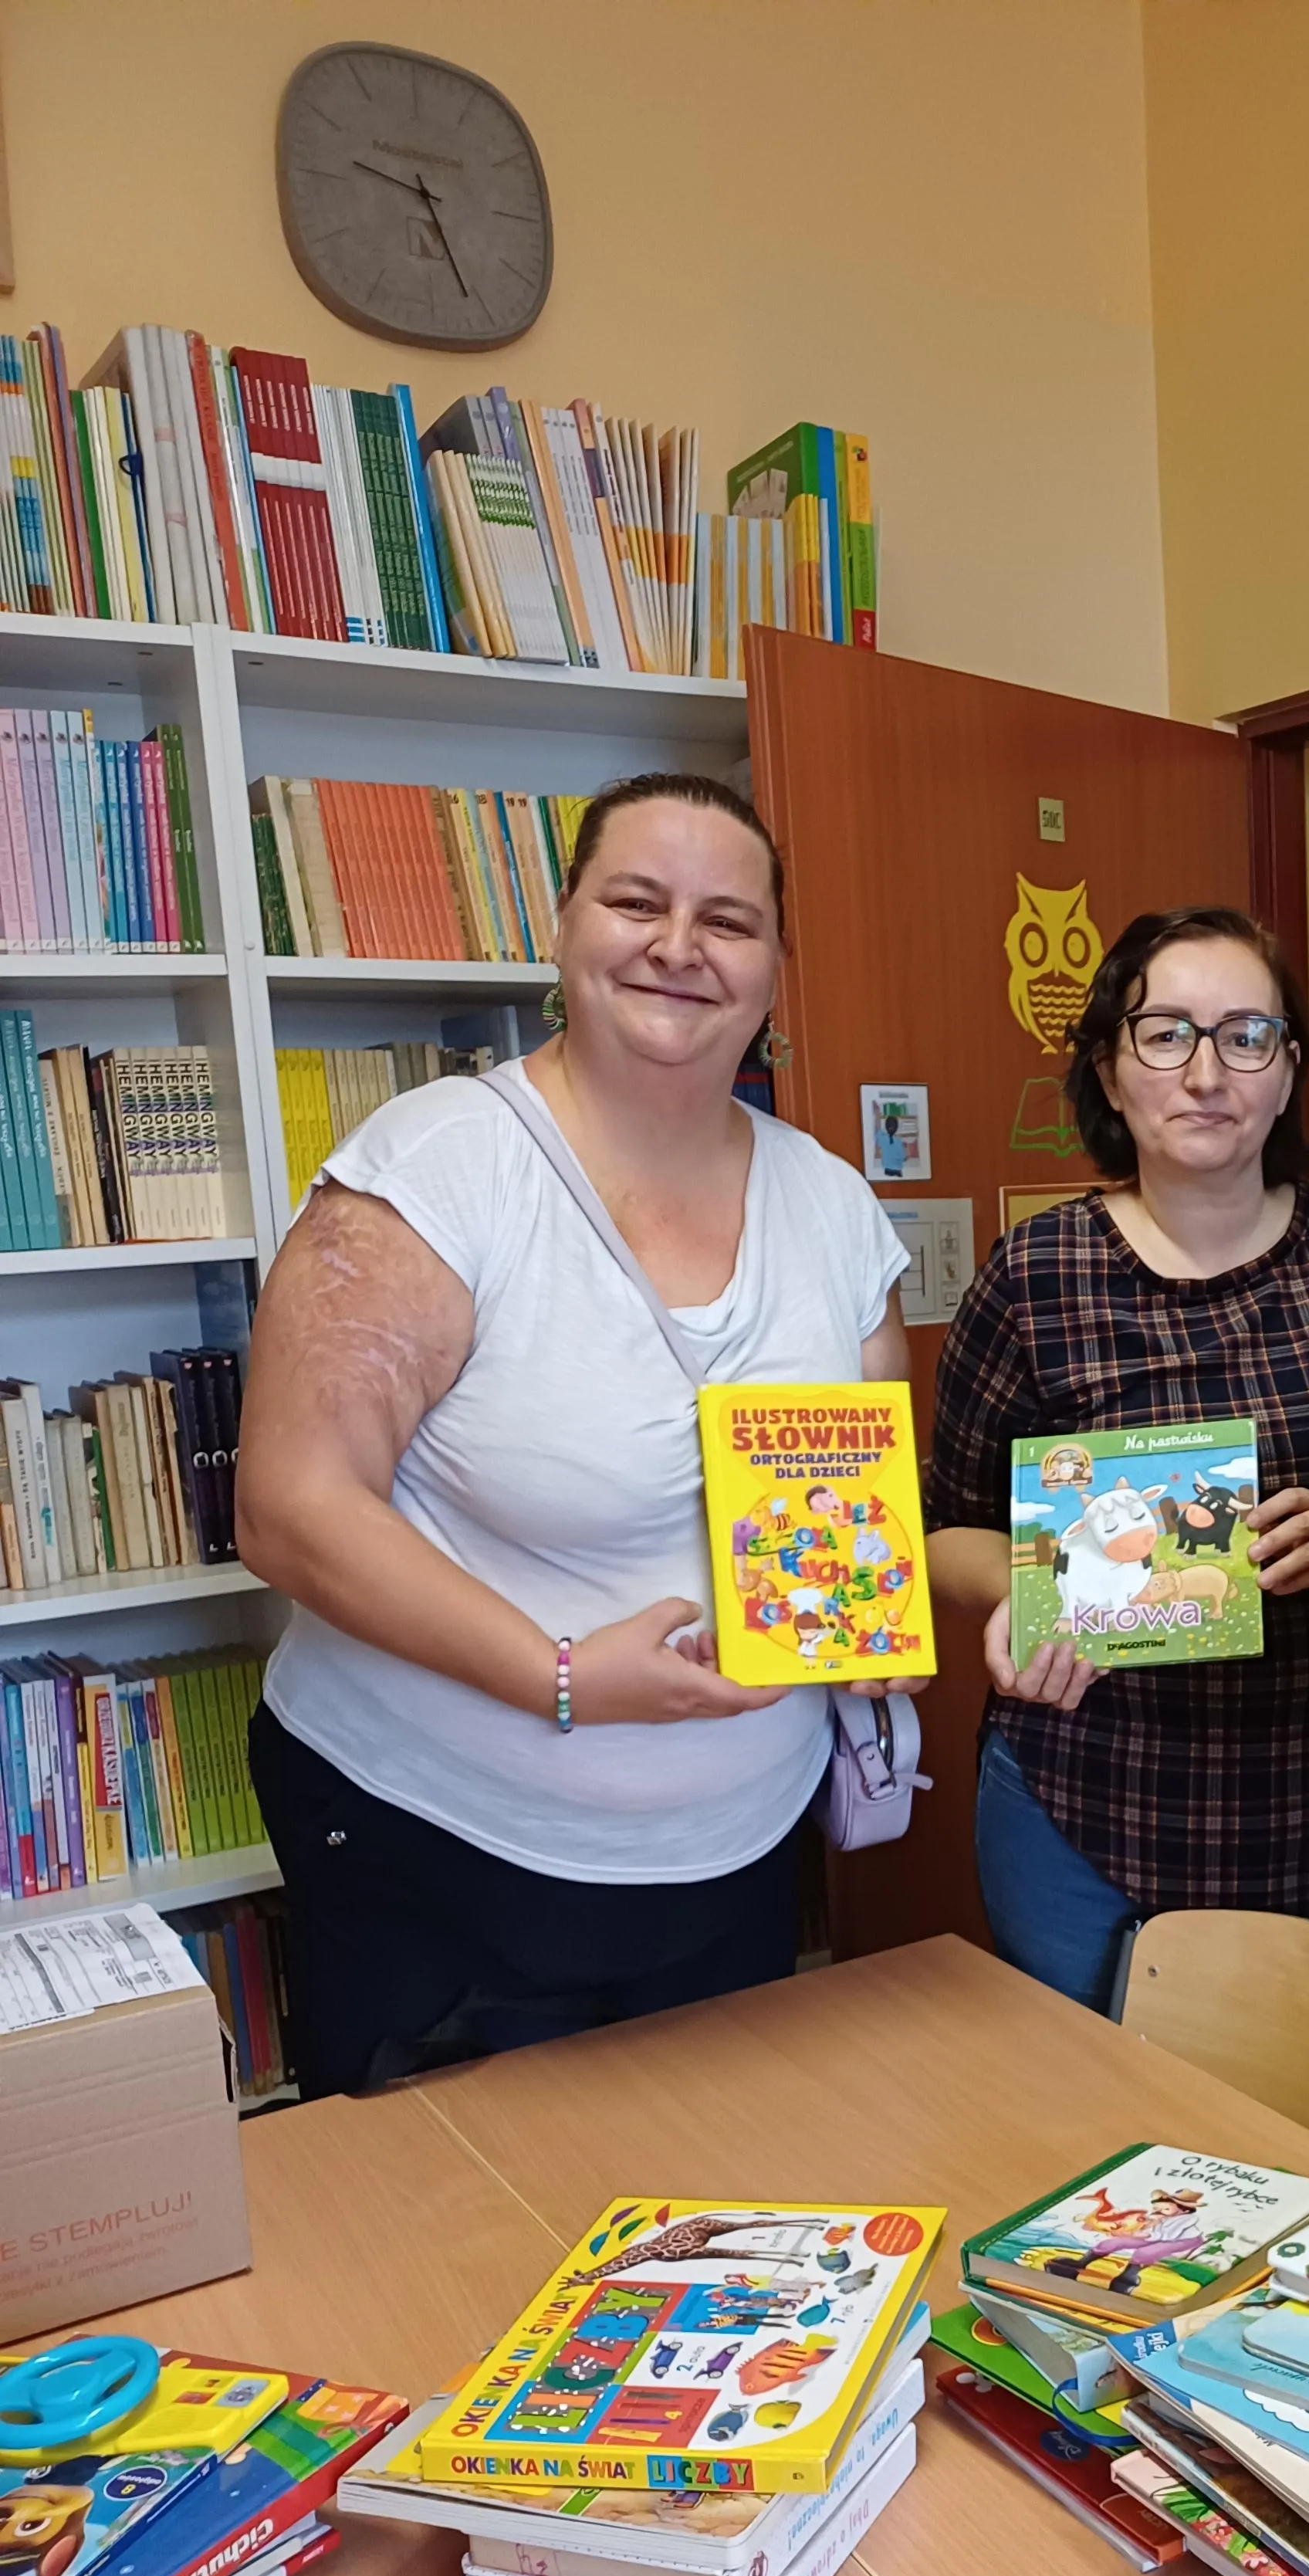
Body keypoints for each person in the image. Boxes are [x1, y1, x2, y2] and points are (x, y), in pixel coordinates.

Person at [238, 770, 912, 2101]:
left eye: (728, 918)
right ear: (561, 926)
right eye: (636, 901)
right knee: (460, 2264)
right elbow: (290, 1502)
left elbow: (846, 1506)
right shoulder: (434, 1172)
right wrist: (558, 1675)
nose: (678, 946)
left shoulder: (832, 1205)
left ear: (777, 964)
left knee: (701, 2254)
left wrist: (868, 1634)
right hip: (438, 1856)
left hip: (735, 1868)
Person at [926, 904, 1309, 2012]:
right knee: (1102, 2149)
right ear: (1112, 1075)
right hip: (1090, 1809)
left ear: (1287, 1068)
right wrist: (1030, 1594)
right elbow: (944, 1528)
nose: (1206, 1070)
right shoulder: (1037, 1272)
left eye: (1245, 1034)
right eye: (1166, 1033)